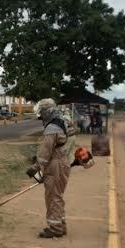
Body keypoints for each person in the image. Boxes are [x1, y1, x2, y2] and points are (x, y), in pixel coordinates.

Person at [27, 98, 76, 238]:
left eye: (42, 113)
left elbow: (46, 151)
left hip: (55, 165)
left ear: (47, 112)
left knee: (53, 197)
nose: (41, 117)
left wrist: (36, 167)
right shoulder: (64, 121)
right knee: (57, 196)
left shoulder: (52, 128)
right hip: (63, 162)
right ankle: (60, 224)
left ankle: (55, 229)